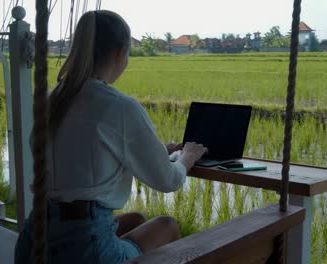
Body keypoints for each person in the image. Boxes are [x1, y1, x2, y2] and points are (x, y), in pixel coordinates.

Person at [14, 10, 207, 263]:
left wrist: (160, 149)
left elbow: (81, 154)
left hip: (34, 240)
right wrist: (187, 158)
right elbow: (168, 180)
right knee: (167, 225)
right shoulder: (119, 106)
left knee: (137, 219)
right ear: (120, 52)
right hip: (82, 250)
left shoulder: (54, 98)